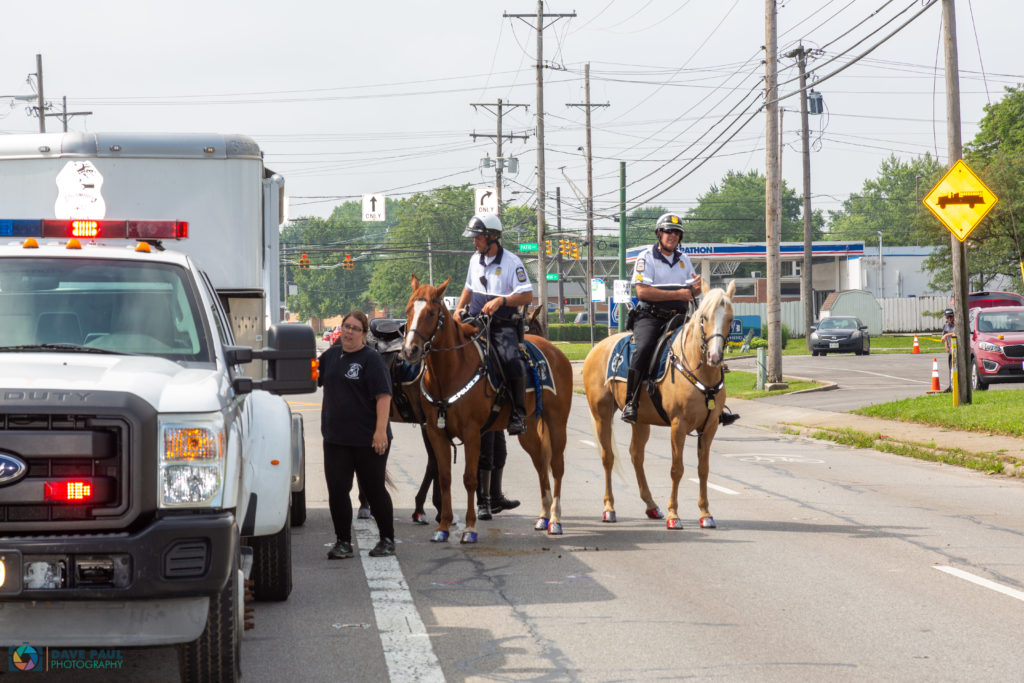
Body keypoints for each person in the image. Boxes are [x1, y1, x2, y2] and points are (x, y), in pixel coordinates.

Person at [622, 213, 739, 426]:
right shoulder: (645, 257)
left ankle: (717, 406)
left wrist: (695, 290)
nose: (672, 235)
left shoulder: (683, 260)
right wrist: (681, 294)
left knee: (705, 347)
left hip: (679, 317)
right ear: (659, 233)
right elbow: (642, 292)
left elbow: (690, 291)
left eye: (676, 233)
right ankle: (631, 401)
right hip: (650, 317)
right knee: (645, 347)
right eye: (668, 231)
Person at [318, 310, 396, 559]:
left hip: (368, 439)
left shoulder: (371, 360)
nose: (349, 331)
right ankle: (343, 542)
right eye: (346, 326)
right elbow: (313, 380)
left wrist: (380, 432)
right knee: (338, 490)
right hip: (336, 439)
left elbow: (384, 397)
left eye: (355, 328)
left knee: (374, 490)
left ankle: (387, 539)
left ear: (364, 334)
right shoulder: (329, 356)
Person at [454, 213, 534, 435]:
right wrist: (458, 309)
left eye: (478, 238)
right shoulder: (474, 259)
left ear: (492, 237)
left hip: (501, 326)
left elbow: (527, 296)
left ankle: (518, 414)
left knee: (510, 360)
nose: (474, 241)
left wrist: (502, 300)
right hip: (473, 323)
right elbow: (468, 288)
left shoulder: (512, 262)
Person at [476, 430, 519, 520]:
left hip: (496, 418)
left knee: (500, 453)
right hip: (483, 418)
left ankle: (496, 498)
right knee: (486, 455)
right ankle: (483, 503)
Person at [941, 308, 955, 393]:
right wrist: (946, 346)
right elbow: (944, 337)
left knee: (956, 368)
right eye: (947, 317)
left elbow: (955, 333)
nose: (949, 319)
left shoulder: (956, 324)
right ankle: (951, 385)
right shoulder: (946, 325)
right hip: (950, 349)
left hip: (957, 349)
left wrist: (946, 335)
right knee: (951, 368)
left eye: (950, 317)